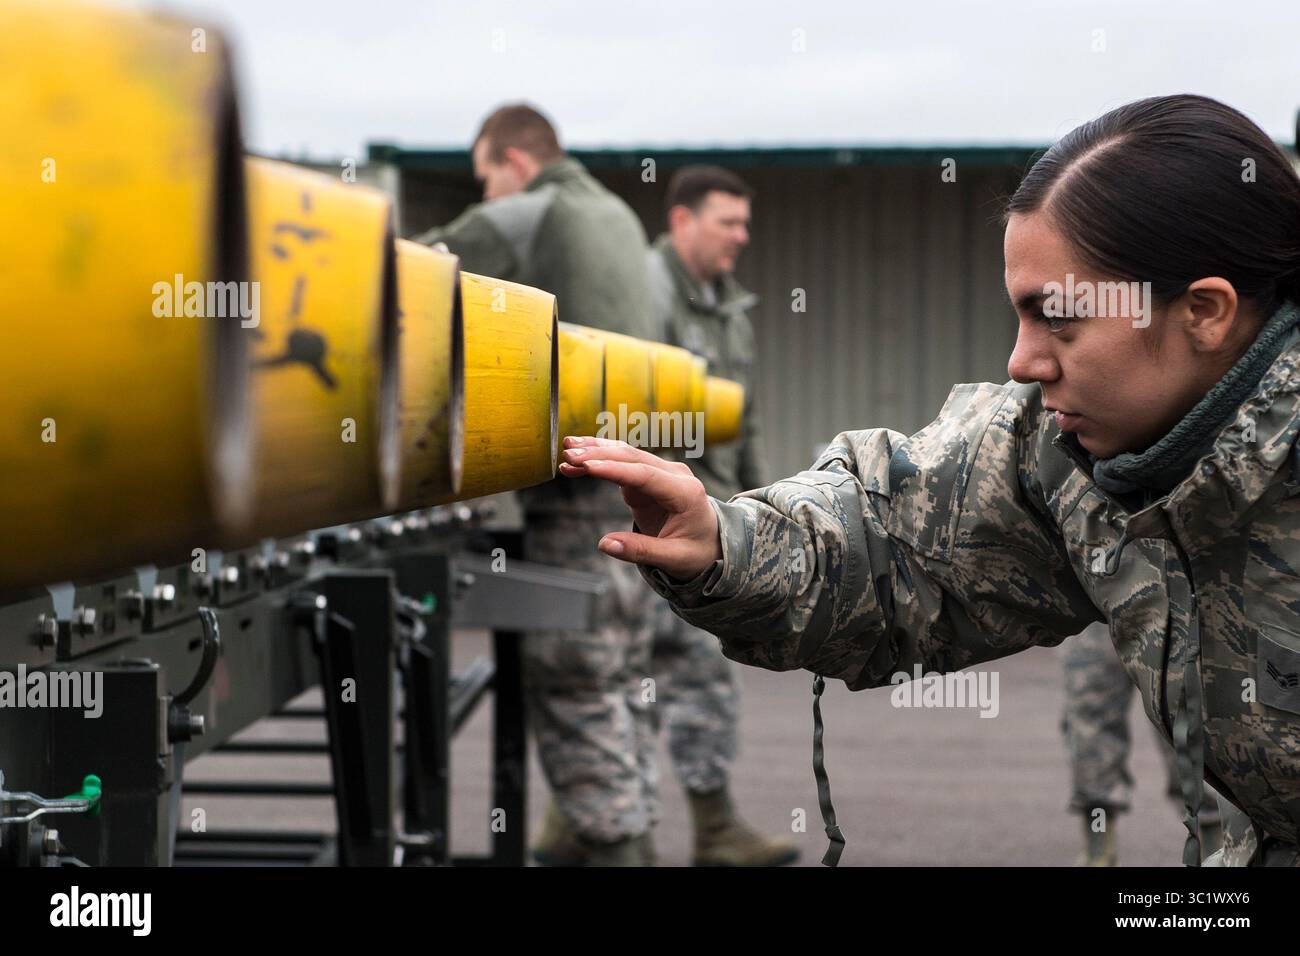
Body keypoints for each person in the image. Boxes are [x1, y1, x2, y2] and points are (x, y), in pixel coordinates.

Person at [557, 93, 1300, 866]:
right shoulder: (1068, 454)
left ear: (1206, 313)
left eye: (1060, 321)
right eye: (1021, 316)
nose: (1022, 362)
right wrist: (724, 540)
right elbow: (901, 541)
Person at [415, 103, 661, 865]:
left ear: (515, 165)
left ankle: (620, 851)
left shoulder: (529, 210)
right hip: (638, 480)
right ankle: (615, 832)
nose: (486, 193)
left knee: (571, 677)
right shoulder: (618, 216)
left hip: (576, 498)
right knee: (620, 674)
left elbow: (402, 270)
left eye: (485, 177)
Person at [642, 165, 796, 866]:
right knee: (642, 676)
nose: (741, 236)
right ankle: (644, 832)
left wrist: (764, 507)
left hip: (717, 516)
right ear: (682, 221)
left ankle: (702, 826)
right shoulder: (644, 293)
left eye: (744, 222)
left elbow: (748, 417)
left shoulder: (728, 307)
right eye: (726, 222)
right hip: (658, 520)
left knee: (669, 675)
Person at [1061, 621, 1221, 865]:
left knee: (1185, 715)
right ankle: (1099, 850)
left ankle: (1214, 845)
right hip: (1093, 603)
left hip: (1168, 600)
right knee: (1090, 720)